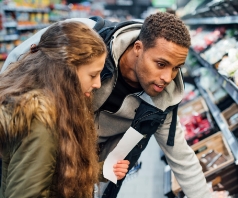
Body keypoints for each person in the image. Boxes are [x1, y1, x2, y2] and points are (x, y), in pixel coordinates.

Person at [1, 12, 212, 198]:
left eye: (177, 68)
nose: (168, 77)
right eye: (161, 64)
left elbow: (181, 156)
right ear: (138, 48)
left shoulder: (163, 100)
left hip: (85, 165)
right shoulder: (87, 36)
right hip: (45, 139)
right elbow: (19, 60)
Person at [0, 21, 129, 198]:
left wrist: (100, 170)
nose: (98, 83)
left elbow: (57, 170)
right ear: (66, 72)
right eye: (92, 75)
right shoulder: (41, 121)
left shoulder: (59, 106)